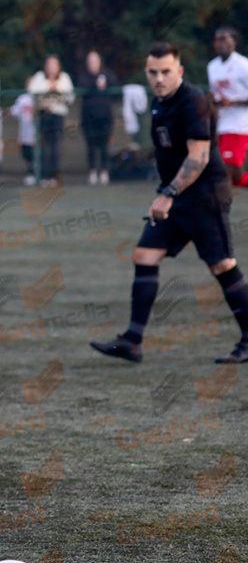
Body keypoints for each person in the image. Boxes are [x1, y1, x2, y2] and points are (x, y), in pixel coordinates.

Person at [91, 42, 248, 364]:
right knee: (145, 254)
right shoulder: (159, 102)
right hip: (179, 195)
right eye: (153, 72)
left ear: (179, 70)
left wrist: (167, 194)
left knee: (222, 265)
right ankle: (132, 341)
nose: (159, 78)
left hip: (205, 196)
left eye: (166, 71)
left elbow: (199, 156)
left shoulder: (192, 100)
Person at [207, 26, 248, 187]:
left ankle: (212, 208)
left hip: (240, 124)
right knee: (235, 178)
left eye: (224, 38)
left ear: (234, 41)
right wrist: (214, 102)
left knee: (224, 169)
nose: (220, 43)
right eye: (217, 39)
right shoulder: (212, 66)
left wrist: (233, 102)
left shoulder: (243, 65)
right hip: (222, 125)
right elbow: (215, 94)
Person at [28, 55, 74, 186]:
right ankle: (43, 176)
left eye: (54, 65)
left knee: (56, 147)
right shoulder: (39, 77)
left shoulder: (64, 78)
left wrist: (58, 91)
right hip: (43, 115)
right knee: (43, 146)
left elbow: (71, 98)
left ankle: (54, 176)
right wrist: (46, 90)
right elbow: (32, 94)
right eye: (49, 64)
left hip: (58, 116)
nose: (51, 68)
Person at [77, 50, 118, 186]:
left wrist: (105, 85)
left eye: (95, 61)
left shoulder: (108, 74)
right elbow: (83, 88)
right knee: (91, 145)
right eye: (90, 61)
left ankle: (104, 172)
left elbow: (115, 86)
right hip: (88, 118)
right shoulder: (84, 76)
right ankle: (93, 172)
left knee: (104, 145)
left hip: (105, 117)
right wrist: (96, 84)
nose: (93, 64)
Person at [9, 81, 37, 185]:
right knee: (27, 155)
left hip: (37, 134)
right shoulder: (22, 99)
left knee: (37, 155)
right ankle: (30, 174)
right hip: (25, 133)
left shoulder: (40, 97)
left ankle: (35, 174)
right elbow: (14, 111)